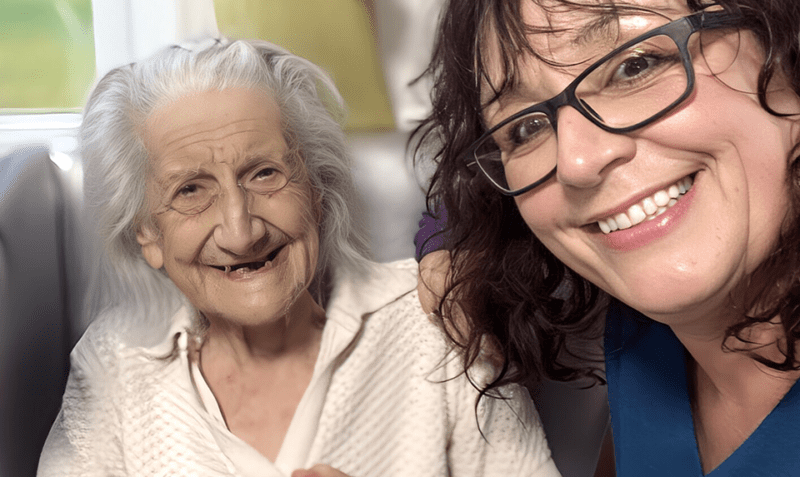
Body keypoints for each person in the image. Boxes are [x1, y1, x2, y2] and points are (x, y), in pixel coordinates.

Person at [37, 39, 560, 477]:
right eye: (191, 190)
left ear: (315, 190)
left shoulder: (435, 321)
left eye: (264, 173)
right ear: (147, 234)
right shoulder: (114, 363)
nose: (241, 233)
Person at [412, 0, 800, 475]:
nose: (577, 160)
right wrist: (447, 248)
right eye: (525, 127)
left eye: (635, 66)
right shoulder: (640, 330)